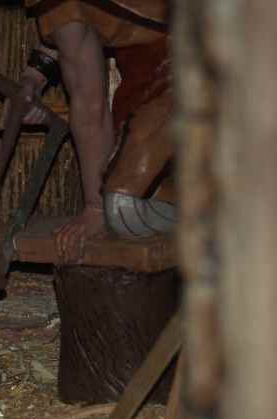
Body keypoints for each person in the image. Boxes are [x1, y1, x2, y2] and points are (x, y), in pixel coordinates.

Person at [18, 0, 175, 263]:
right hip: (147, 93)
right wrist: (33, 78)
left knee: (124, 207)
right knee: (122, 206)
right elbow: (84, 85)